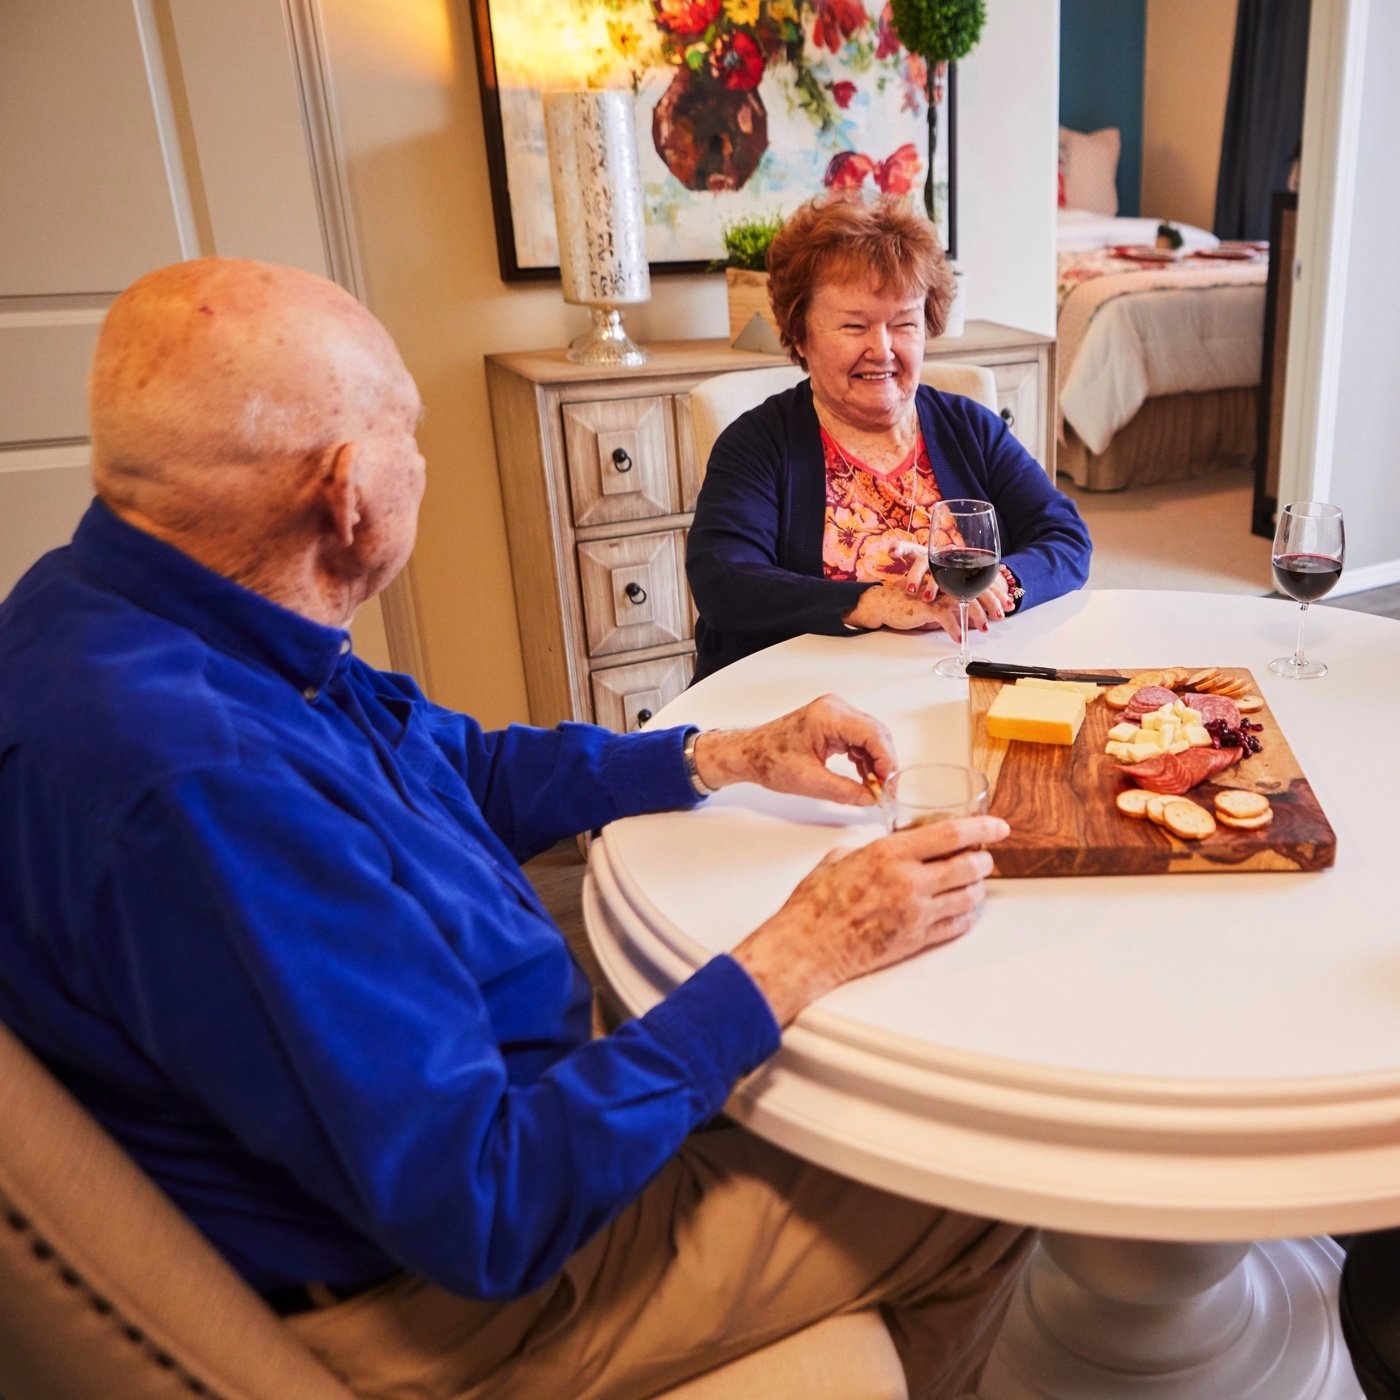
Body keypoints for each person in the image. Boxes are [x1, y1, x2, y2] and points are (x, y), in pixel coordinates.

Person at [0, 257, 1031, 1399]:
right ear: (348, 495)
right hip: (458, 1293)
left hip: (456, 1109)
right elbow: (485, 1203)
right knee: (970, 1180)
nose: (424, 460)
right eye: (409, 432)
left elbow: (455, 763)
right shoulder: (205, 784)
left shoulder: (137, 601)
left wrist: (719, 754)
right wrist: (802, 946)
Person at [687, 195, 1092, 682]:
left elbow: (1066, 537)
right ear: (800, 335)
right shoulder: (757, 443)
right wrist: (874, 601)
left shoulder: (970, 428)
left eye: (904, 324)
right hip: (803, 696)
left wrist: (1000, 583)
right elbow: (723, 580)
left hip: (952, 681)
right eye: (854, 326)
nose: (881, 350)